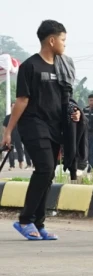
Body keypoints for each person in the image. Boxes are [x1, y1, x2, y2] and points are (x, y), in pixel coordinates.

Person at [2, 20, 80, 241]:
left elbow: (67, 99)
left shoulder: (63, 66)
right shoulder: (30, 66)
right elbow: (22, 100)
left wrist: (75, 112)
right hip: (34, 124)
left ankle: (39, 223)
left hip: (56, 125)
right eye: (63, 40)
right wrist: (8, 132)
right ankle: (25, 220)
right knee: (44, 168)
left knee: (48, 173)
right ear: (52, 40)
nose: (65, 44)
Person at [3, 104, 31, 170]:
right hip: (10, 135)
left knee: (20, 148)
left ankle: (21, 162)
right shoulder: (7, 117)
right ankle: (12, 165)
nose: (14, 108)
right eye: (12, 107)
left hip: (19, 134)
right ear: (11, 108)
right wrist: (5, 134)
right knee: (10, 149)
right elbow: (4, 127)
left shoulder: (20, 116)